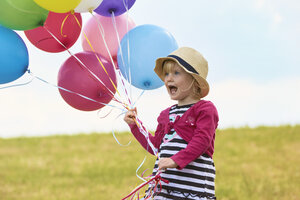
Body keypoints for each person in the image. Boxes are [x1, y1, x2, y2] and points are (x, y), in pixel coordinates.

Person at [124, 47, 219, 200]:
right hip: (164, 188)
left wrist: (176, 160)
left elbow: (202, 141)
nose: (168, 78)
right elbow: (155, 146)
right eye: (166, 74)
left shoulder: (204, 109)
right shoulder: (166, 114)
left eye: (176, 73)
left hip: (192, 188)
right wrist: (135, 125)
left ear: (194, 80)